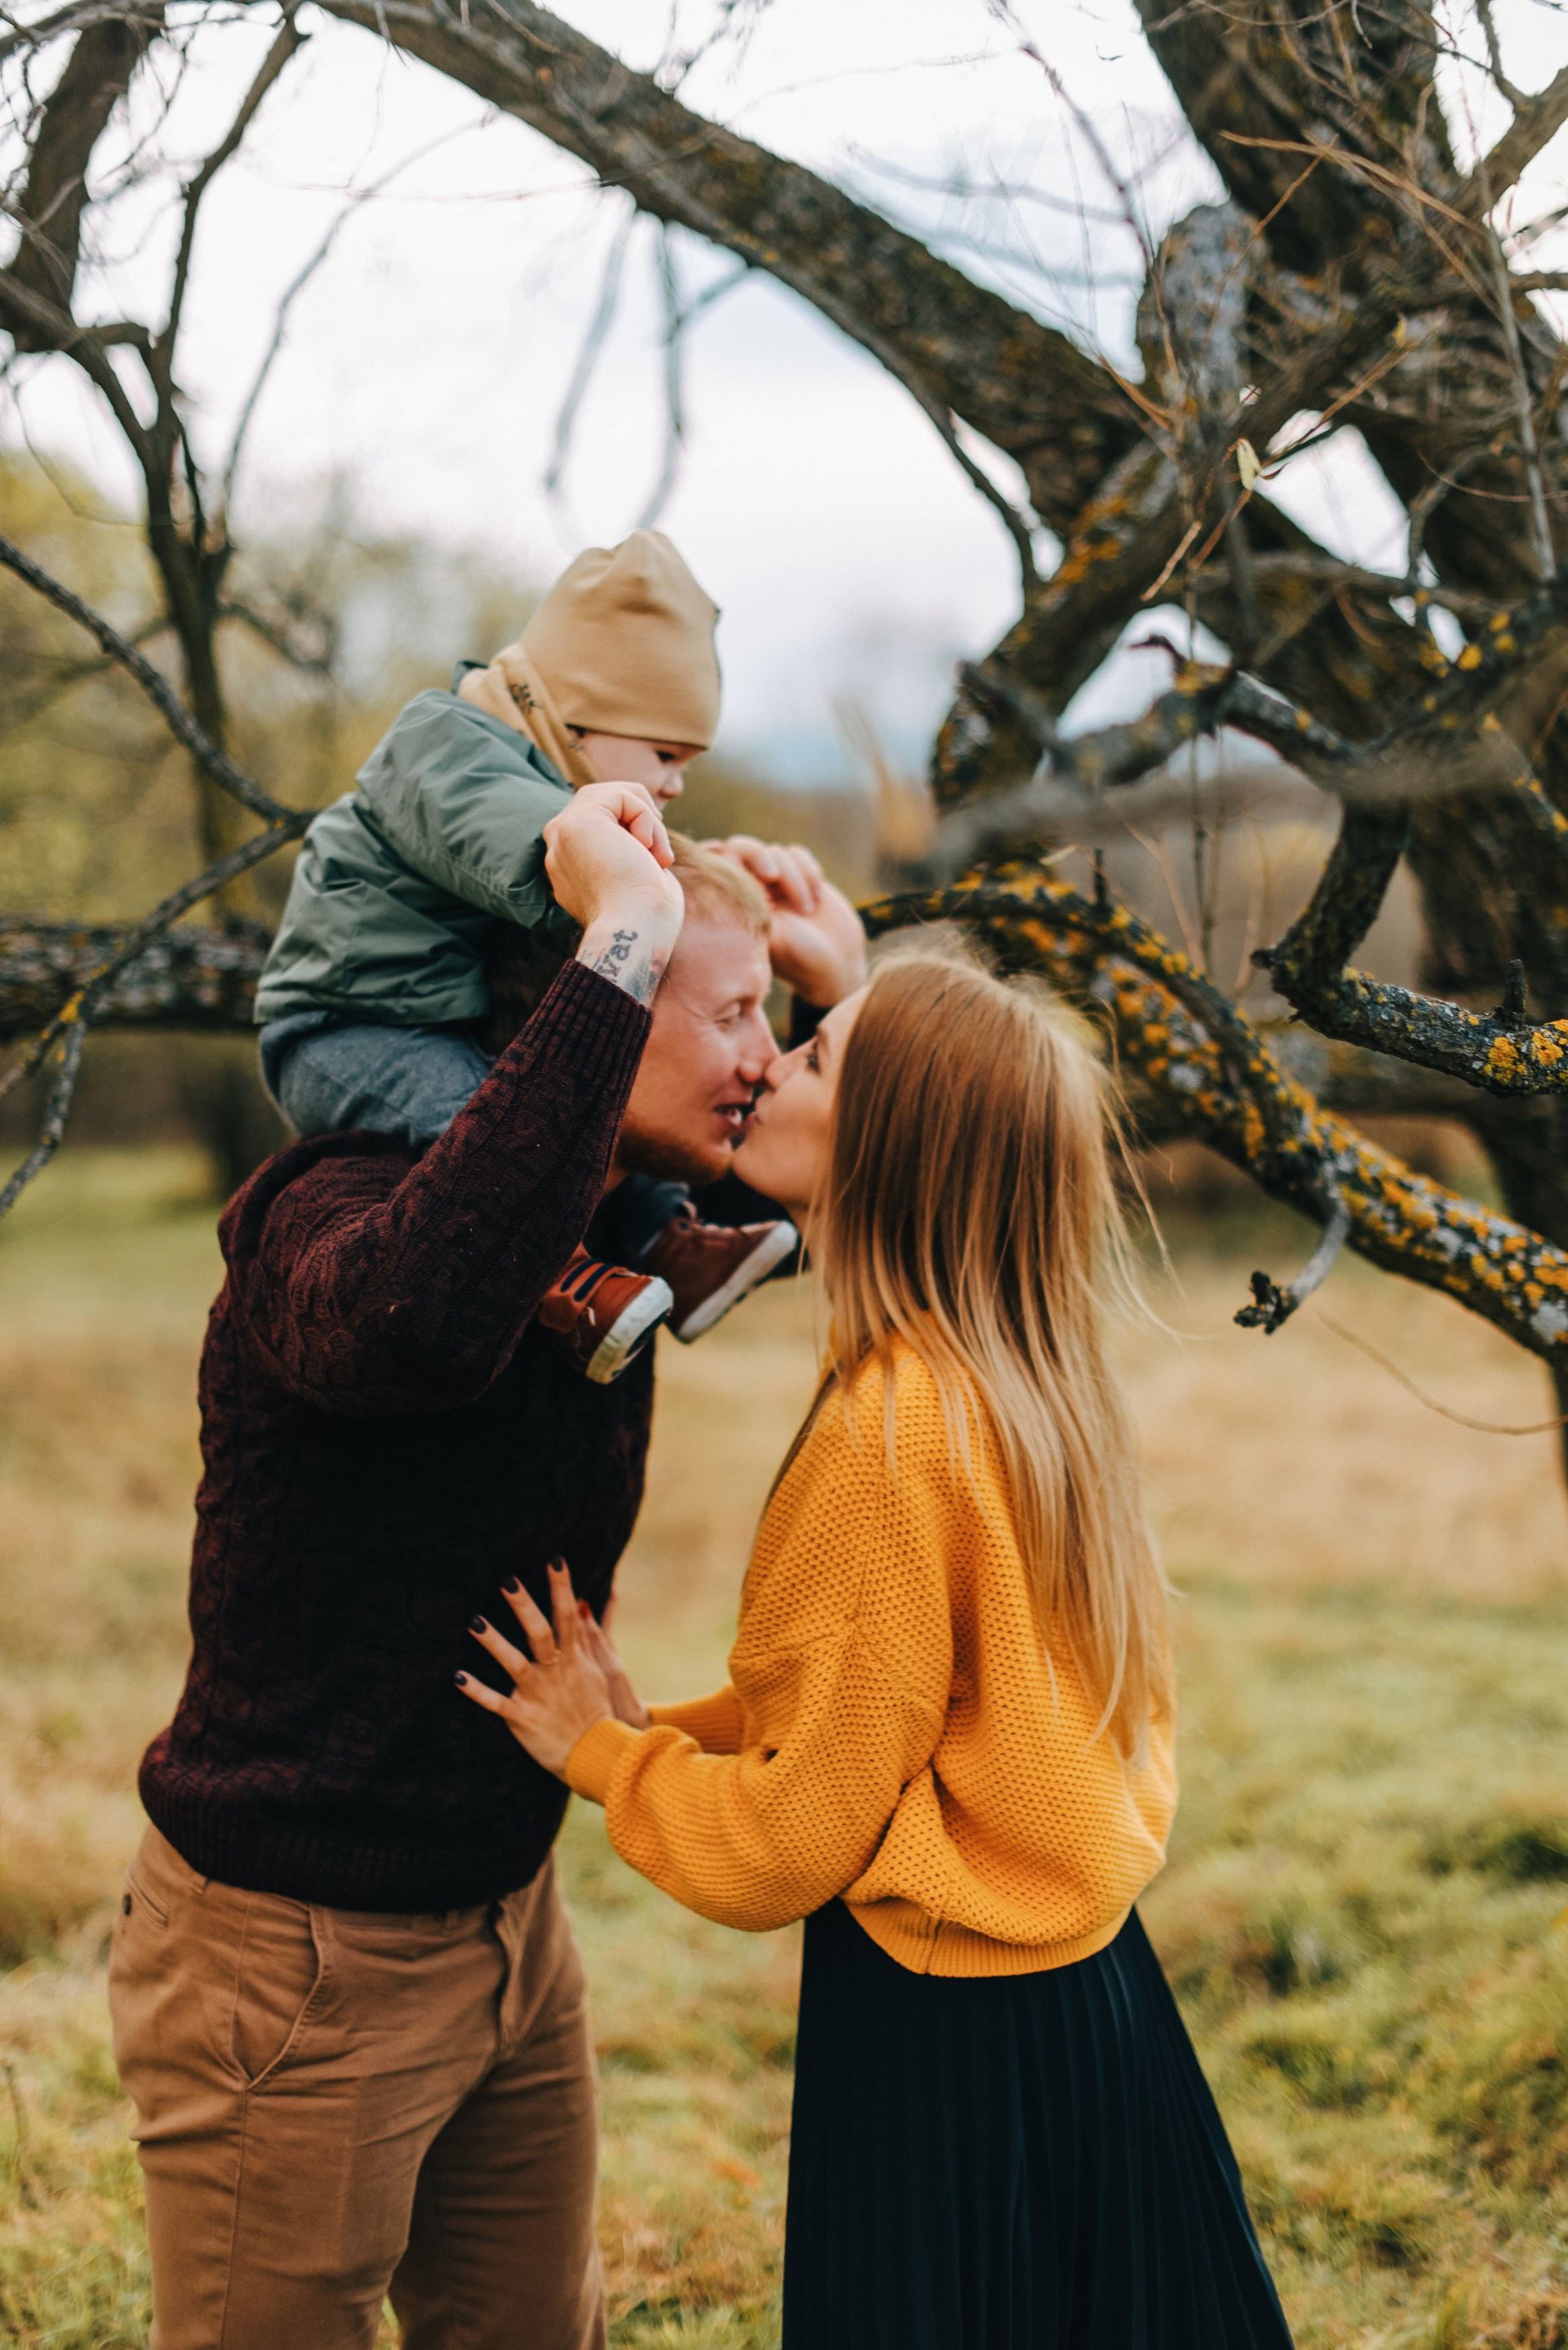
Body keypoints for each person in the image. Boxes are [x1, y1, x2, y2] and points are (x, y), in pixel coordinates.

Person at [107, 783, 868, 2350]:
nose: (752, 1059)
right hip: (292, 1956)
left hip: (512, 1929)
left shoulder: (634, 1233)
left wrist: (841, 996)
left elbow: (910, 1185)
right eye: (727, 1015)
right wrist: (629, 935)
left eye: (764, 1024)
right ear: (588, 1000)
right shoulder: (329, 1213)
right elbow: (428, 1314)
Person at [458, 946, 1297, 2350]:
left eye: (817, 1055)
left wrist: (603, 1756)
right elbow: (891, 1694)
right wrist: (673, 1721)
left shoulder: (892, 1435)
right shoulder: (1023, 1383)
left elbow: (801, 1832)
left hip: (947, 2039)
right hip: (1092, 1998)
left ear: (893, 1144)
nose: (771, 1065)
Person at [254, 527, 811, 1379]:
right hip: (344, 1027)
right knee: (486, 1127)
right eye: (664, 754)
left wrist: (706, 895)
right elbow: (535, 843)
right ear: (573, 723)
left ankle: (673, 1244)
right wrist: (634, 873)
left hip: (437, 1017)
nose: (674, 784)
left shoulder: (542, 778)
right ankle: (559, 1275)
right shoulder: (443, 747)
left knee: (597, 1109)